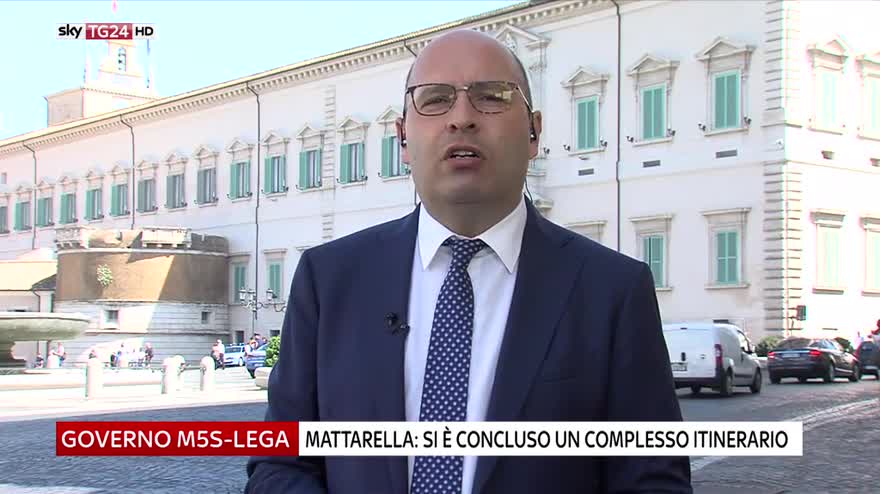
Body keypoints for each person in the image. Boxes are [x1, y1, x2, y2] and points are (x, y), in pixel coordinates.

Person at [247, 30, 690, 494]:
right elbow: (279, 464)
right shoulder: (327, 281)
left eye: (492, 97)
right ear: (402, 138)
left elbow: (653, 480)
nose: (462, 118)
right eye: (435, 99)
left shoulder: (613, 291)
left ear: (534, 131)